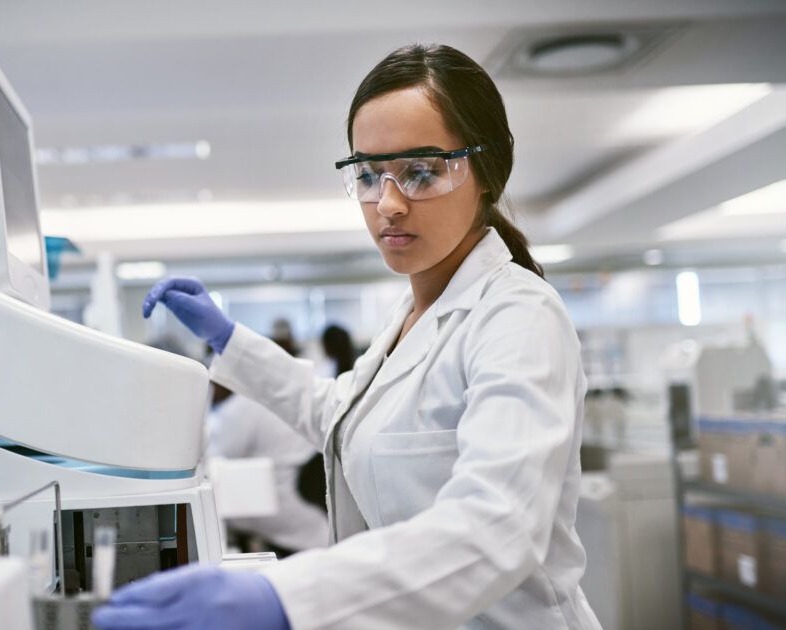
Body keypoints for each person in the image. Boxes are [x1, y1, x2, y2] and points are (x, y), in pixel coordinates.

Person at [94, 43, 600, 630]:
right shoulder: (408, 316)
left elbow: (499, 526)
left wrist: (288, 599)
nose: (388, 204)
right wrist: (231, 340)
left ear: (487, 172)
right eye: (367, 174)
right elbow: (340, 414)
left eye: (420, 172)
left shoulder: (518, 316)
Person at [206, 331, 329, 557]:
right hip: (308, 512)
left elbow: (215, 457)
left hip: (284, 509)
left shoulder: (243, 407)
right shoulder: (258, 401)